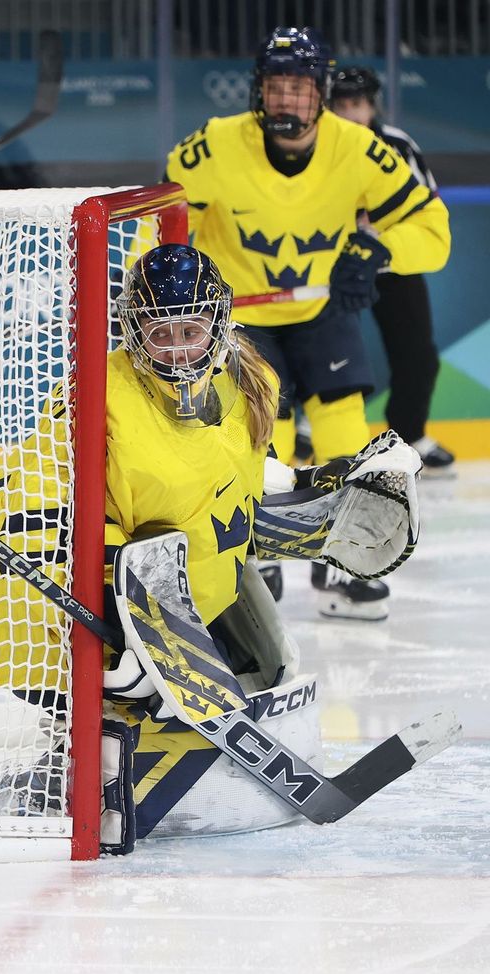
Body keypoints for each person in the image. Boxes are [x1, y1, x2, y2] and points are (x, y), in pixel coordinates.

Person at [0, 243, 420, 850]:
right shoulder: (94, 401)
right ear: (134, 331)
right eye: (159, 334)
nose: (178, 351)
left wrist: (316, 492)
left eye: (192, 331)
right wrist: (111, 615)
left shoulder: (249, 376)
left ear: (219, 321)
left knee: (253, 661)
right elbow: (27, 510)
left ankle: (133, 731)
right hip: (70, 609)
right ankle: (91, 766)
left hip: (181, 595)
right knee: (139, 680)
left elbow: (237, 481)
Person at [161, 26, 449, 620]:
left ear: (319, 92)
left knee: (345, 429)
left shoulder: (361, 150)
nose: (287, 100)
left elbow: (433, 231)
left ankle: (342, 561)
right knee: (264, 430)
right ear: (257, 92)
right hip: (241, 315)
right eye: (276, 86)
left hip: (321, 312)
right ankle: (251, 556)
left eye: (299, 87)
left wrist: (380, 251)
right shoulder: (214, 146)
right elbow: (164, 219)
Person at [327, 65, 455, 477]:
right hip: (331, 267)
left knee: (418, 354)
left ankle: (410, 434)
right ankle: (312, 433)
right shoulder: (318, 146)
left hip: (391, 262)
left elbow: (425, 207)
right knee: (319, 351)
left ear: (372, 106)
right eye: (342, 105)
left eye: (358, 104)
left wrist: (386, 241)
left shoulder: (398, 145)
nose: (350, 114)